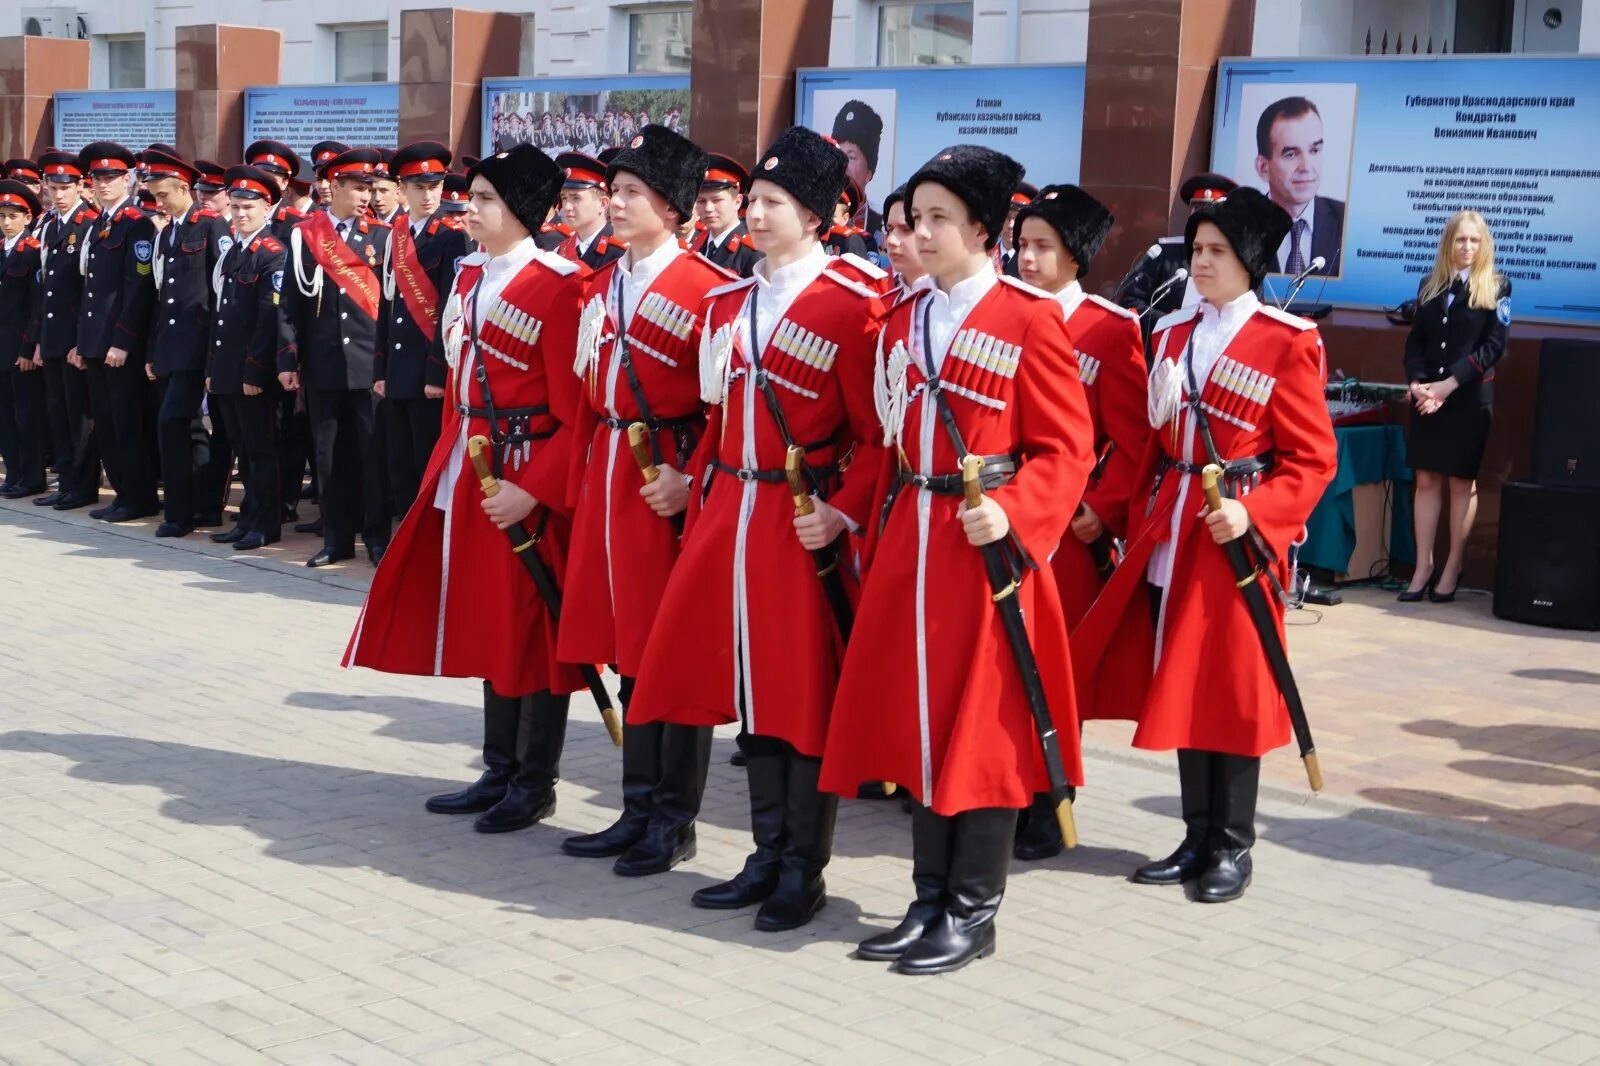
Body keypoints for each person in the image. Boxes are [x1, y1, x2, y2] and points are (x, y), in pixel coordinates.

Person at [819, 145, 1093, 975]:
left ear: (983, 228)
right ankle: (927, 895)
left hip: (988, 552)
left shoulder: (1029, 317)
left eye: (941, 218)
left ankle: (973, 910)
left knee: (982, 733)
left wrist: (1010, 512)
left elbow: (1067, 449)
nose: (922, 232)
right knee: (919, 722)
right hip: (914, 536)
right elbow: (889, 435)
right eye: (914, 217)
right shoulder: (906, 317)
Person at [628, 126, 886, 930]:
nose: (757, 214)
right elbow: (721, 416)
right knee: (750, 696)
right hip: (727, 513)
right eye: (754, 201)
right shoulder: (730, 300)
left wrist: (840, 512)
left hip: (798, 522)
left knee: (798, 696)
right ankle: (764, 852)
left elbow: (879, 440)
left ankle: (801, 869)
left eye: (775, 203)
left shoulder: (855, 305)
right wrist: (694, 478)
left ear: (818, 214)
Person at [1072, 186, 1336, 905]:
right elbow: (1155, 445)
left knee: (1233, 692)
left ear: (1251, 260)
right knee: (1183, 681)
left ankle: (1232, 843)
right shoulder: (1174, 336)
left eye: (1218, 252)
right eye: (1197, 251)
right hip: (1175, 531)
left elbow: (1312, 461)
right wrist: (1132, 519)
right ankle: (1194, 834)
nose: (1203, 263)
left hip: (1236, 537)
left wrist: (1257, 517)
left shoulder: (1288, 341)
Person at [343, 145, 586, 835]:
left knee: (530, 626)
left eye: (484, 199)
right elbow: (461, 382)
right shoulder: (471, 273)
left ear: (523, 211)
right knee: (487, 617)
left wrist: (534, 489)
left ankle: (535, 780)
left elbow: (577, 417)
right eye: (470, 197)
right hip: (473, 467)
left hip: (524, 473)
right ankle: (498, 766)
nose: (469, 210)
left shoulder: (560, 284)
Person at [556, 125, 730, 877]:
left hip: (667, 479)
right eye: (614, 191)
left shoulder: (709, 290)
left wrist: (690, 475)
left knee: (671, 652)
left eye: (632, 193)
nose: (616, 204)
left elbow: (728, 407)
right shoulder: (603, 282)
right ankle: (635, 806)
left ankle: (673, 817)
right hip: (610, 475)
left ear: (673, 206)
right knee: (627, 646)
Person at [1007, 183, 1148, 861]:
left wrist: (1105, 506)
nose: (1027, 259)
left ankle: (1051, 799)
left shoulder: (1107, 328)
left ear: (1076, 255)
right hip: (1005, 516)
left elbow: (1133, 436)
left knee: (1051, 671)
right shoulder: (999, 316)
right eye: (1022, 244)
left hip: (1068, 532)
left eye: (1043, 247)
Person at [278, 147, 393, 567]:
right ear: (336, 187)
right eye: (359, 188)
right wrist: (288, 360)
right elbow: (290, 304)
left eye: (371, 188)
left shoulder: (382, 236)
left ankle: (376, 538)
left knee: (370, 457)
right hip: (323, 364)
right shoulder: (304, 234)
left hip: (368, 366)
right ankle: (336, 539)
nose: (367, 196)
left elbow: (391, 310)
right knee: (328, 459)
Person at [1398, 210, 1510, 604]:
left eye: (1474, 241)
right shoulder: (1430, 285)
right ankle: (1422, 566)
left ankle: (1452, 567)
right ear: (1449, 243)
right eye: (1461, 240)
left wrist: (1447, 385)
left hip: (1467, 399)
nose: (1467, 247)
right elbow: (1417, 342)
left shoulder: (1497, 287)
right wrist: (1418, 385)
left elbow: (1493, 347)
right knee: (1426, 479)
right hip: (1428, 399)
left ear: (1484, 246)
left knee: (1461, 482)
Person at [140, 147, 233, 537]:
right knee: (189, 427)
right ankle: (204, 506)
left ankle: (179, 514)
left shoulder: (211, 227)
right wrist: (151, 350)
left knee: (173, 422)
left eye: (163, 195)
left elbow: (220, 294)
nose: (158, 203)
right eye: (154, 196)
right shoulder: (168, 233)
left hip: (199, 344)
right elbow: (162, 296)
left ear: (183, 188)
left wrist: (214, 353)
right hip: (170, 347)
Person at [375, 140, 468, 517]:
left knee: (425, 464)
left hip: (426, 374)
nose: (429, 195)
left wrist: (436, 372)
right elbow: (387, 305)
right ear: (402, 190)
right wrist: (380, 368)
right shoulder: (395, 236)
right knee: (398, 463)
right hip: (397, 371)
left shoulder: (449, 237)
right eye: (419, 187)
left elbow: (449, 310)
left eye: (434, 186)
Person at [209, 166, 293, 551]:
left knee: (261, 450)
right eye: (236, 207)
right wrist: (213, 368)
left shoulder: (272, 254)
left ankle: (266, 523)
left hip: (251, 372)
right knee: (242, 448)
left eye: (249, 207)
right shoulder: (235, 251)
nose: (241, 214)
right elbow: (221, 315)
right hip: (228, 368)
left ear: (268, 206)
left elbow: (269, 319)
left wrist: (255, 370)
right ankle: (248, 518)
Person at [76, 141, 160, 523]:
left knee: (127, 424)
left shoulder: (137, 223)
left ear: (127, 179)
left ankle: (139, 496)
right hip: (96, 342)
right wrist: (84, 340)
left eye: (111, 177)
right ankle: (123, 494)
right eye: (97, 178)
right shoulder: (98, 223)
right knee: (106, 423)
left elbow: (138, 287)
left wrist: (123, 341)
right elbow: (91, 290)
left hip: (118, 345)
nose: (103, 184)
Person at [30, 151, 100, 512]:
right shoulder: (52, 226)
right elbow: (47, 289)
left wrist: (80, 340)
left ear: (80, 187)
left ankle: (83, 486)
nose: (57, 194)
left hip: (75, 337)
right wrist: (42, 340)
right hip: (54, 337)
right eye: (52, 187)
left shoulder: (88, 224)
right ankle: (68, 482)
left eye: (65, 187)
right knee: (57, 412)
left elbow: (90, 290)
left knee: (79, 416)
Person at [1117, 173, 1238, 356]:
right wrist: (1169, 322)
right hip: (1163, 357)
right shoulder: (1164, 252)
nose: (1203, 219)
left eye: (1211, 212)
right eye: (1197, 211)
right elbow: (1130, 301)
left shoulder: (1239, 261)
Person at [1256, 96, 1344, 277]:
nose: (1306, 166)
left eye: (1314, 150)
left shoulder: (1345, 221)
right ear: (1264, 167)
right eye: (1290, 154)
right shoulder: (1238, 228)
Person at [0, 180, 45, 499]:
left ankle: (32, 476)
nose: (6, 222)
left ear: (27, 218)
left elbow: (37, 306)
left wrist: (29, 347)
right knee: (4, 416)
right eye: (2, 215)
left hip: (20, 349)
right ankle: (14, 474)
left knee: (27, 415)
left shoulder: (32, 252)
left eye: (13, 216)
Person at [692, 153, 762, 278]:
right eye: (702, 201)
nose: (708, 208)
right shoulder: (698, 244)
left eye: (717, 200)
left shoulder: (752, 253)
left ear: (737, 202)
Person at [553, 152, 627, 270]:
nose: (567, 206)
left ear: (603, 204)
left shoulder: (621, 253)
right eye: (564, 198)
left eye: (576, 198)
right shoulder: (560, 250)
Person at [831, 100, 883, 237]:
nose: (842, 165)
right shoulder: (817, 218)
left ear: (869, 173)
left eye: (851, 157)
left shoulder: (883, 224)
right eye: (838, 155)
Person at [878, 185, 924, 297]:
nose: (891, 240)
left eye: (906, 229)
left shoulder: (959, 301)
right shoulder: (876, 292)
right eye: (890, 229)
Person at [996, 180, 1037, 277]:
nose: (1010, 225)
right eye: (1006, 217)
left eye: (1017, 218)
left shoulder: (1032, 263)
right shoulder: (984, 257)